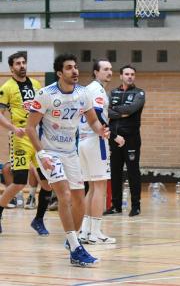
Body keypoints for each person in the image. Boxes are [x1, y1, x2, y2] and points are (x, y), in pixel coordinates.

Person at [27, 53, 110, 266]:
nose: (75, 71)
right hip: (50, 153)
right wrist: (41, 154)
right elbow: (30, 127)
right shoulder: (45, 94)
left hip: (70, 153)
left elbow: (92, 121)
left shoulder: (83, 94)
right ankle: (75, 247)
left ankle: (71, 240)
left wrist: (102, 131)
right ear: (59, 73)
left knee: (79, 199)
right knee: (63, 195)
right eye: (69, 68)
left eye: (75, 67)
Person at [0, 51, 53, 236]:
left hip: (37, 138)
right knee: (19, 182)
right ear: (11, 67)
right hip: (20, 139)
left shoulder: (36, 84)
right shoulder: (7, 87)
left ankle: (38, 220)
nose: (22, 66)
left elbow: (42, 110)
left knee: (47, 183)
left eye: (24, 62)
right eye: (18, 63)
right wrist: (13, 128)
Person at [78, 60, 125, 245]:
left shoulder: (87, 89)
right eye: (105, 69)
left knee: (91, 187)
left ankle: (86, 231)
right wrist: (113, 136)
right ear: (96, 72)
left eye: (111, 69)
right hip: (95, 140)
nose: (109, 72)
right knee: (100, 187)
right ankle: (96, 233)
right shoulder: (97, 90)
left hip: (83, 141)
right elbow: (96, 115)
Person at [106, 65, 145, 217]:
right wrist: (119, 113)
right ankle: (116, 206)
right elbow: (106, 110)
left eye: (132, 74)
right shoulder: (113, 92)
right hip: (114, 138)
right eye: (127, 74)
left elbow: (131, 109)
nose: (130, 76)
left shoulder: (139, 93)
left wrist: (116, 110)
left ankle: (136, 206)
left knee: (133, 171)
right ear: (121, 76)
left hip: (132, 139)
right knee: (115, 172)